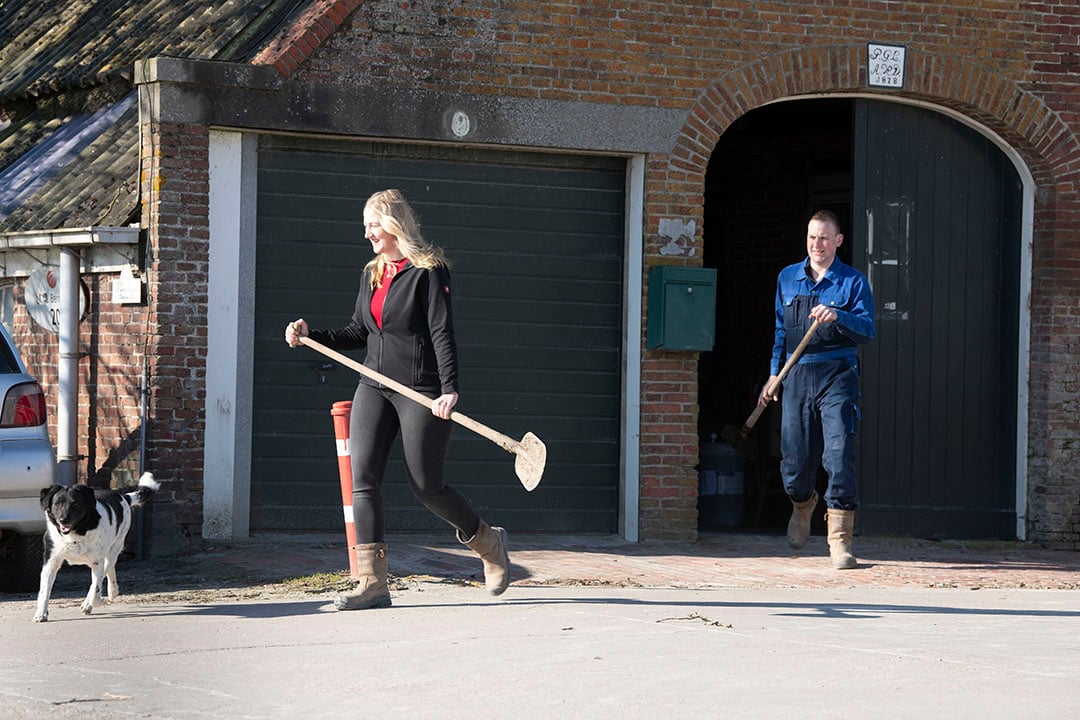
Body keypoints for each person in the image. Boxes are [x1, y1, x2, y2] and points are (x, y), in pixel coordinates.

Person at [284, 189, 510, 609]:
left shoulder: (429, 271)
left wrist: (448, 389)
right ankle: (371, 582)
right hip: (373, 384)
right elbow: (358, 332)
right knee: (362, 479)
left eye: (372, 224)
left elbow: (442, 331)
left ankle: (488, 542)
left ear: (393, 224)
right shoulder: (372, 272)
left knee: (427, 487)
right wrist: (310, 335)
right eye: (366, 225)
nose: (366, 232)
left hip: (420, 389)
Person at [758, 209, 875, 569]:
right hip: (796, 375)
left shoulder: (852, 282)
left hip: (837, 373)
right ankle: (802, 503)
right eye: (812, 237)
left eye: (824, 238)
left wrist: (839, 315)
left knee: (838, 455)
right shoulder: (788, 278)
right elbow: (781, 331)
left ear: (838, 241)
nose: (817, 245)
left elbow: (868, 330)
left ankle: (840, 542)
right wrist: (774, 374)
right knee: (793, 462)